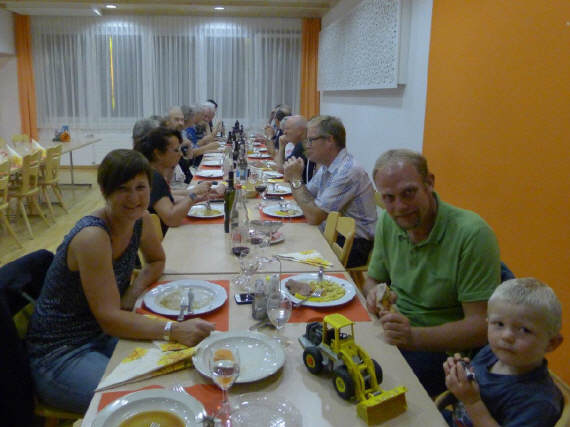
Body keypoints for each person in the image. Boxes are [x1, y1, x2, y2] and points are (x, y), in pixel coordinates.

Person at [26, 149, 215, 413]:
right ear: (105, 191)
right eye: (122, 189)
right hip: (61, 353)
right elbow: (110, 318)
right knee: (145, 404)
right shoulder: (93, 237)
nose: (134, 198)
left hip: (104, 335)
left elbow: (156, 261)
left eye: (140, 187)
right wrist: (172, 329)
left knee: (185, 371)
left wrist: (134, 290)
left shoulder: (141, 220)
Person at [363, 149, 501, 397]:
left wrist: (412, 337)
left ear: (429, 183)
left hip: (443, 353)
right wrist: (374, 294)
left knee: (372, 389)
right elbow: (373, 279)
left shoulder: (472, 234)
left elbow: (481, 327)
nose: (399, 207)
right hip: (395, 333)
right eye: (389, 198)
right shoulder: (388, 221)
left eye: (408, 193)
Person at [442, 278, 563, 426]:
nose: (506, 336)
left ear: (551, 343)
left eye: (524, 330)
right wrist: (458, 375)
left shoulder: (539, 403)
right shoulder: (491, 353)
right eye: (499, 324)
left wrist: (472, 402)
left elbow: (470, 400)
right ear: (488, 323)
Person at [283, 115, 377, 268]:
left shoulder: (348, 171)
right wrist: (295, 179)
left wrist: (295, 179)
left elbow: (314, 216)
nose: (306, 146)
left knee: (288, 256)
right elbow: (305, 197)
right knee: (285, 242)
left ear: (329, 141)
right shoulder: (327, 165)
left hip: (354, 245)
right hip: (331, 232)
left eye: (310, 140)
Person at [136, 127, 219, 235]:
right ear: (158, 153)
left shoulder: (154, 173)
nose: (180, 154)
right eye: (176, 150)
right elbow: (172, 219)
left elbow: (169, 199)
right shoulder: (154, 178)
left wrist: (198, 197)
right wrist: (193, 195)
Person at [274, 115, 315, 184]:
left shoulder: (302, 145)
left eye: (287, 129)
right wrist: (281, 147)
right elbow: (282, 169)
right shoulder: (299, 145)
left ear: (300, 130)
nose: (284, 132)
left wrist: (281, 148)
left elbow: (282, 171)